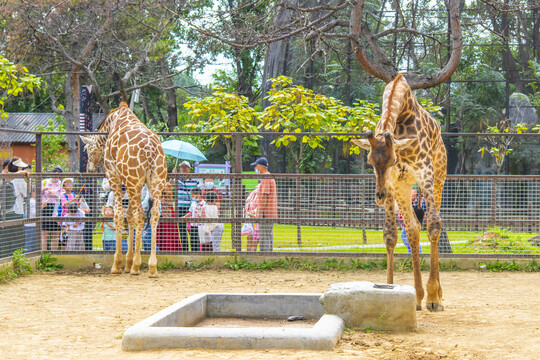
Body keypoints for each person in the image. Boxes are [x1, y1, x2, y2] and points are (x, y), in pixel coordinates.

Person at [251, 157, 277, 252]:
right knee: (268, 235)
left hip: (265, 214)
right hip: (270, 213)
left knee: (264, 237)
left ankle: (265, 257)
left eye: (256, 166)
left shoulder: (266, 178)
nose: (255, 168)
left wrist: (259, 213)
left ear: (261, 166)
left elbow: (265, 196)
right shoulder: (269, 177)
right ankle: (270, 256)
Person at [176, 161, 199, 250]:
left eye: (185, 167)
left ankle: (195, 250)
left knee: (193, 228)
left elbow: (198, 192)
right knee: (182, 229)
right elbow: (168, 184)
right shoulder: (177, 179)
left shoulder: (195, 180)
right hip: (180, 206)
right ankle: (184, 249)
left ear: (189, 169)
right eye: (182, 167)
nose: (183, 169)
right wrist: (173, 174)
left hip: (191, 207)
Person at [41, 166, 63, 250]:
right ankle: (44, 254)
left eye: (57, 175)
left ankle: (54, 254)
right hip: (46, 207)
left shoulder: (61, 183)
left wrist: (54, 195)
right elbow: (36, 194)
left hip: (56, 208)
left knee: (55, 232)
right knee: (45, 233)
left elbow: (62, 197)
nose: (55, 177)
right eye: (53, 174)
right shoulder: (45, 182)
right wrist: (43, 189)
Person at [398, 188, 425, 254]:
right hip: (411, 221)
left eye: (412, 193)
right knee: (410, 237)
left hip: (414, 221)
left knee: (405, 235)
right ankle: (412, 252)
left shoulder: (418, 201)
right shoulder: (412, 201)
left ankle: (417, 251)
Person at [156, 181, 181, 251]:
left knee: (169, 232)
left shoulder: (167, 189)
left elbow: (166, 195)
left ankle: (170, 248)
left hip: (168, 212)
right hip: (163, 212)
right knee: (162, 232)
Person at [183, 187, 205, 252]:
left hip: (200, 226)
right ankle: (192, 254)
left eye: (193, 196)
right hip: (193, 225)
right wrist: (184, 217)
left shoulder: (204, 204)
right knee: (192, 241)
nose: (192, 198)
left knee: (198, 241)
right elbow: (190, 213)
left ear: (198, 194)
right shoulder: (193, 203)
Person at [243, 184, 260, 251]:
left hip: (250, 218)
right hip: (254, 219)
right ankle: (251, 256)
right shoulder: (257, 195)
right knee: (253, 241)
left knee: (250, 239)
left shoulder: (253, 194)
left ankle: (248, 255)